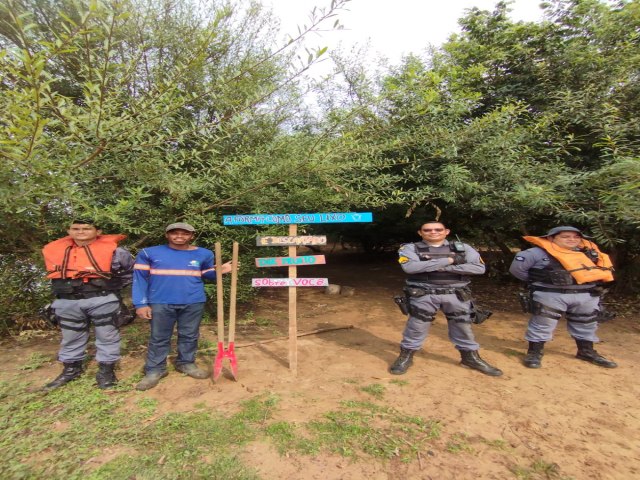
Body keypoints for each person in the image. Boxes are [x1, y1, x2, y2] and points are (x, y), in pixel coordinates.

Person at [390, 221, 502, 376]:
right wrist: (449, 260)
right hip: (423, 293)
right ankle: (405, 356)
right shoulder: (410, 248)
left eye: (438, 229)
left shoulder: (463, 248)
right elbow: (411, 268)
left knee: (462, 325)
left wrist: (438, 267)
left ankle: (470, 358)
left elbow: (478, 268)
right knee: (416, 325)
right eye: (427, 230)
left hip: (456, 294)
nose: (433, 232)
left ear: (446, 231)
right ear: (420, 233)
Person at [133, 222, 232, 391]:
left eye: (184, 233)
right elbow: (139, 279)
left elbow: (207, 274)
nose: (179, 236)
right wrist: (140, 303)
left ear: (191, 236)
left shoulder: (204, 253)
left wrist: (221, 271)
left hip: (193, 301)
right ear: (167, 235)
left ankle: (186, 363)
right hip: (160, 301)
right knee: (159, 337)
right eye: (175, 233)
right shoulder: (149, 253)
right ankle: (155, 370)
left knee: (189, 335)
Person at [41, 219, 134, 391]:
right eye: (75, 228)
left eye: (86, 228)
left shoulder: (117, 252)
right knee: (70, 337)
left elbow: (130, 272)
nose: (80, 232)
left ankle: (106, 372)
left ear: (97, 231)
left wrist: (114, 290)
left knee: (107, 336)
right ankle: (71, 370)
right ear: (69, 231)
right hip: (66, 301)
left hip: (102, 299)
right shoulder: (55, 250)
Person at [509, 226, 617, 369]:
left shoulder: (590, 253)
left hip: (587, 295)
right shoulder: (534, 253)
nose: (572, 239)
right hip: (550, 294)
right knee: (543, 323)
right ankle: (534, 353)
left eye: (576, 237)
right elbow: (517, 270)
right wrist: (540, 282)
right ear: (551, 238)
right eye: (566, 236)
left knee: (586, 323)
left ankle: (586, 351)